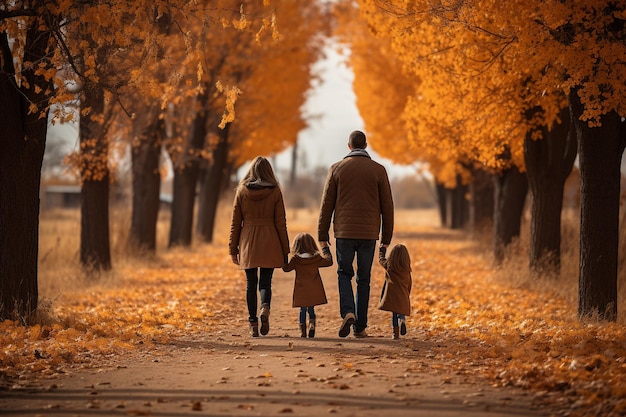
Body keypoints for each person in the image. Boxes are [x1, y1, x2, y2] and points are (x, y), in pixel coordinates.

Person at [318, 130, 394, 338]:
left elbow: (327, 205)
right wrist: (386, 239)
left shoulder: (336, 169)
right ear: (366, 145)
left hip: (344, 232)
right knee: (364, 278)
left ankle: (348, 311)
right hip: (369, 233)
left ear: (349, 146)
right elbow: (387, 207)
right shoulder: (379, 170)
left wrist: (322, 235)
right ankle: (360, 326)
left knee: (344, 273)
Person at [229, 156, 289, 337]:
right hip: (270, 239)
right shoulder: (275, 191)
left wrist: (233, 249)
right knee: (265, 282)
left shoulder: (242, 192)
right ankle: (265, 306)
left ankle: (253, 323)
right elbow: (281, 223)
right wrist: (286, 250)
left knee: (250, 283)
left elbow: (235, 223)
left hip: (248, 240)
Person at [283, 233, 333, 338]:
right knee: (311, 309)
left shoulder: (296, 260)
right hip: (314, 288)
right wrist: (325, 248)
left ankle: (302, 331)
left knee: (302, 310)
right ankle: (312, 324)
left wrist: (284, 254)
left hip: (301, 289)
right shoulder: (316, 258)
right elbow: (329, 262)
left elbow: (286, 268)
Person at [378, 244, 412, 339]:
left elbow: (381, 260)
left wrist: (382, 250)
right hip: (403, 295)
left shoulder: (389, 267)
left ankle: (395, 334)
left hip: (392, 295)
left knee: (394, 313)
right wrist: (407, 294)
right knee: (400, 312)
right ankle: (402, 320)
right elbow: (409, 284)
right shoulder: (407, 270)